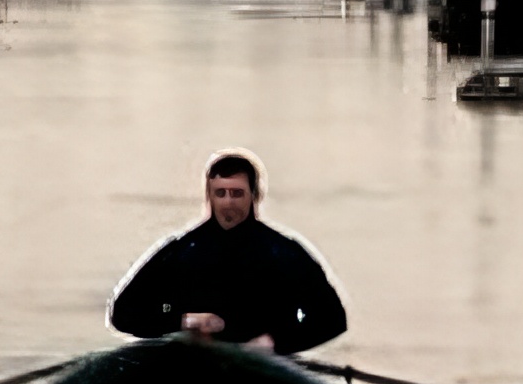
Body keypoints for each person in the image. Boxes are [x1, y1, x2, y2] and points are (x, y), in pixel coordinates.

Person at [108, 151, 346, 356]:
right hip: (194, 366)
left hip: (265, 367)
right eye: (220, 193)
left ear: (255, 195)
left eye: (237, 193)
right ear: (208, 196)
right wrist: (184, 321)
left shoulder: (284, 253)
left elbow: (333, 319)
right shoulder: (182, 251)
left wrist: (274, 343)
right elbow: (123, 314)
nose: (228, 202)